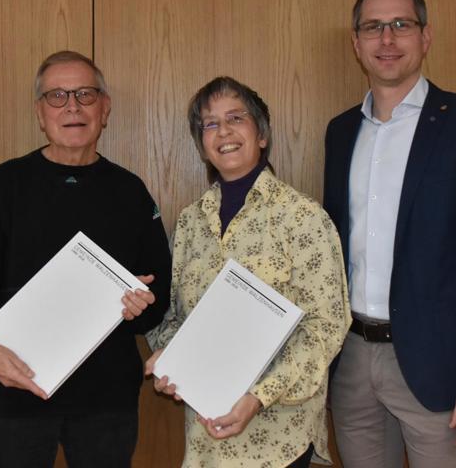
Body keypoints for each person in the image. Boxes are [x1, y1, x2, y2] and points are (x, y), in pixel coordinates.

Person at [323, 0, 456, 467]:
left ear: (425, 37)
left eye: (401, 25)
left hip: (440, 370)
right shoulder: (341, 131)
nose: (386, 39)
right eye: (373, 27)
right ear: (356, 43)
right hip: (351, 361)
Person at [0, 50, 171, 468]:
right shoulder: (6, 185)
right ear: (40, 112)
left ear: (105, 109)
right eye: (57, 96)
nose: (72, 106)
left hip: (105, 403)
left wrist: (141, 306)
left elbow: (157, 293)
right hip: (16, 393)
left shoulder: (129, 191)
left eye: (85, 94)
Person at [146, 76, 351, 468]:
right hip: (206, 437)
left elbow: (326, 326)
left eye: (236, 117)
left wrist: (258, 395)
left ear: (262, 135)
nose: (223, 130)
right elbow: (171, 316)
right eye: (209, 123)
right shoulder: (191, 222)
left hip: (280, 439)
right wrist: (171, 357)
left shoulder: (302, 217)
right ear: (202, 146)